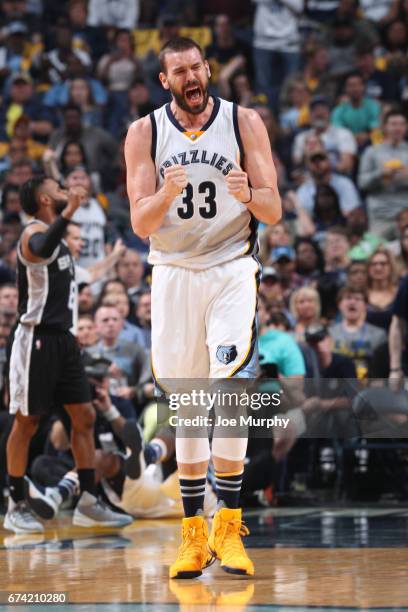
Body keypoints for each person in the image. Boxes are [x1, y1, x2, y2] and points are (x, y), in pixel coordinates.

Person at [125, 37, 281, 579]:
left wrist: (248, 195)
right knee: (189, 401)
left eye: (196, 67)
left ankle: (229, 527)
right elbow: (141, 223)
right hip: (171, 272)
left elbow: (274, 208)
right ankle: (193, 534)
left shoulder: (244, 122)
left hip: (231, 266)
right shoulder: (144, 132)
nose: (190, 77)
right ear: (164, 81)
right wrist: (165, 194)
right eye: (178, 71)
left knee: (232, 389)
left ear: (208, 71)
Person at [4, 175, 129, 534]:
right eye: (59, 190)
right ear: (45, 200)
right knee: (26, 422)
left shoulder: (62, 246)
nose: (65, 193)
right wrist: (71, 209)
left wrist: (112, 256)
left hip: (65, 341)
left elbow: (76, 265)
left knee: (85, 416)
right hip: (36, 340)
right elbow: (40, 247)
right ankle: (16, 503)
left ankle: (88, 500)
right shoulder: (32, 234)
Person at [358, 110, 408, 239]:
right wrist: (380, 174)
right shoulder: (371, 151)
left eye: (401, 124)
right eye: (393, 124)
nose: (397, 128)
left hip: (406, 213)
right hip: (380, 215)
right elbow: (362, 183)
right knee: (376, 252)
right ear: (385, 127)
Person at [329, 285, 387, 379]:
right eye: (348, 298)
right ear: (339, 304)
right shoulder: (329, 333)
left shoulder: (379, 334)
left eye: (357, 299)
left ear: (365, 305)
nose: (352, 302)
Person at [366, 246, 398, 330]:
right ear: (368, 268)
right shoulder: (361, 294)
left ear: (390, 267)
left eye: (383, 264)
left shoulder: (399, 293)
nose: (378, 268)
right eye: (373, 264)